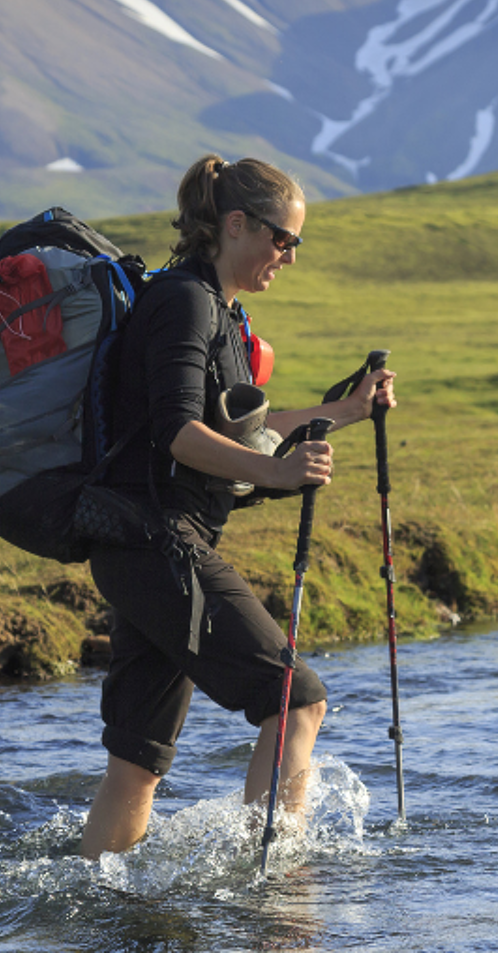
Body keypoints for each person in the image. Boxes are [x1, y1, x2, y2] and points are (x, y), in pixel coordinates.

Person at [79, 154, 397, 860]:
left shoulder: (220, 312)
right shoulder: (185, 302)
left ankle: (93, 896)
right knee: (296, 698)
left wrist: (345, 409)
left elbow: (245, 429)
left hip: (145, 547)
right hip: (159, 543)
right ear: (235, 223)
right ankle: (278, 894)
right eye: (283, 239)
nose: (289, 255)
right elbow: (179, 433)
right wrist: (277, 475)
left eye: (296, 243)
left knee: (137, 762)